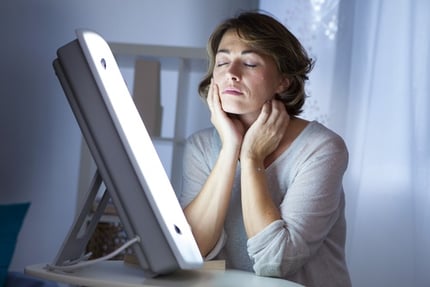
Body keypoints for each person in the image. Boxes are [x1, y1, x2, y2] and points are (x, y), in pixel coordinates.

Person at [179, 11, 351, 287]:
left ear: (283, 80)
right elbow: (189, 250)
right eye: (222, 62)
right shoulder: (200, 147)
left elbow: (276, 263)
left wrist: (251, 158)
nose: (231, 74)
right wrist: (230, 150)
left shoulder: (322, 148)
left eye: (249, 63)